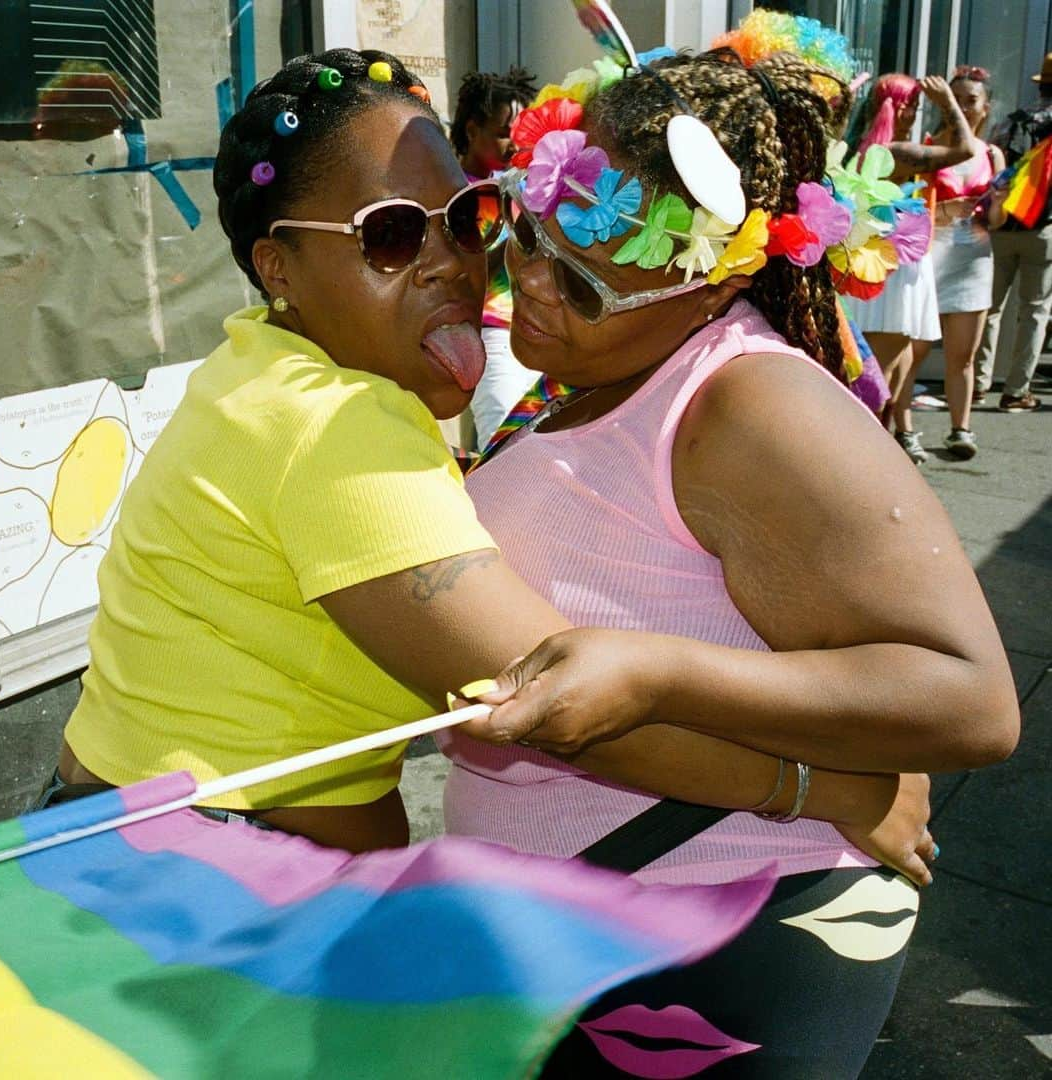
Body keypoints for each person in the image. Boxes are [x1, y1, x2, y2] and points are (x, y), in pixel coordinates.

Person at [47, 47, 939, 870]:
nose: (452, 264)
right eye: (392, 235)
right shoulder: (329, 424)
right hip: (189, 895)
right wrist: (822, 790)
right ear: (278, 267)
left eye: (467, 217)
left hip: (159, 852)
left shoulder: (262, 362)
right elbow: (550, 699)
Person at [438, 44, 1019, 1076]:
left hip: (723, 938)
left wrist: (657, 670)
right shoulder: (594, 369)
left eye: (578, 282)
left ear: (707, 287)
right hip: (582, 934)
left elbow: (971, 701)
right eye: (524, 232)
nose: (527, 280)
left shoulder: (755, 404)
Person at [848, 73, 981, 464]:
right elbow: (964, 149)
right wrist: (949, 104)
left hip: (883, 265)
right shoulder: (894, 153)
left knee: (894, 367)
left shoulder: (862, 148)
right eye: (916, 106)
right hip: (893, 271)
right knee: (882, 375)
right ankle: (865, 462)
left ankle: (871, 455)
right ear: (901, 108)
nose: (918, 113)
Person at [903, 66, 1007, 458]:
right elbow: (913, 209)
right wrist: (946, 210)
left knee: (963, 355)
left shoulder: (992, 154)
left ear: (986, 107)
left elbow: (996, 223)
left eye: (972, 100)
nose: (964, 106)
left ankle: (960, 430)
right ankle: (904, 429)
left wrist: (996, 206)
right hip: (930, 258)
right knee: (913, 353)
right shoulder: (931, 147)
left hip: (974, 261)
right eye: (956, 98)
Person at [450, 67, 540, 448]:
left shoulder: (521, 183)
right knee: (502, 447)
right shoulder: (452, 190)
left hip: (535, 330)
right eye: (505, 132)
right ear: (472, 131)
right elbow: (465, 269)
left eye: (520, 133)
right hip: (490, 333)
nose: (514, 143)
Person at [973, 52, 1052, 412]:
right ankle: (1016, 391)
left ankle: (976, 382)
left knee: (989, 307)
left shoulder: (1012, 122)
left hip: (1002, 224)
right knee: (1034, 310)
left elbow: (992, 169)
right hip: (1044, 229)